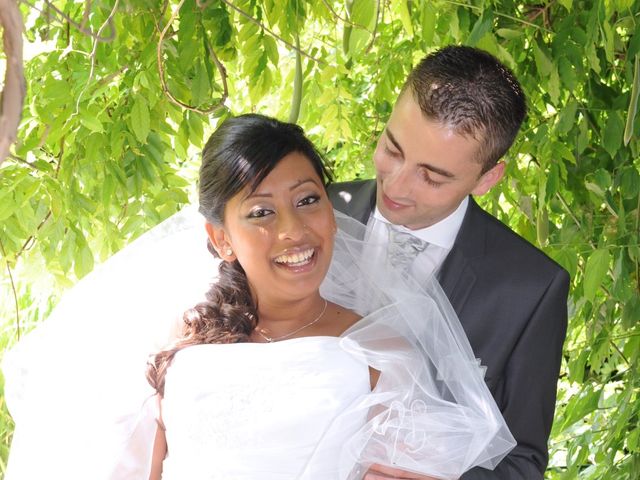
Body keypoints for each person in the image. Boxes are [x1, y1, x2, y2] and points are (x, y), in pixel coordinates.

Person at [4, 114, 515, 479]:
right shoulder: (173, 348)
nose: (295, 230)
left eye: (308, 200)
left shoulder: (382, 351)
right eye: (261, 212)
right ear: (220, 238)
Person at [329, 46, 570, 479]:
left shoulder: (531, 289)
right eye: (392, 148)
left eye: (433, 175)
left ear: (486, 179)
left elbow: (522, 463)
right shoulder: (316, 215)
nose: (398, 185)